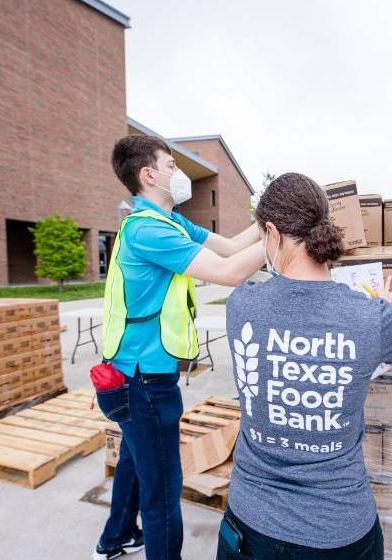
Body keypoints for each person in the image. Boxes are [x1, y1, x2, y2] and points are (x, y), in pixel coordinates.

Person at [218, 172, 392, 560]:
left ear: (271, 233)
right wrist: (386, 307)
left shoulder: (241, 306)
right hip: (340, 529)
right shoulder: (371, 318)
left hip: (252, 527)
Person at [94, 135, 266, 560]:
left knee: (137, 461)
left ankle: (114, 540)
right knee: (163, 491)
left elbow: (227, 247)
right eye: (171, 165)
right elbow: (228, 272)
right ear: (148, 175)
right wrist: (290, 234)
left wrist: (268, 220)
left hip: (128, 374)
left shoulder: (169, 222)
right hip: (144, 382)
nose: (179, 173)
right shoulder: (149, 230)